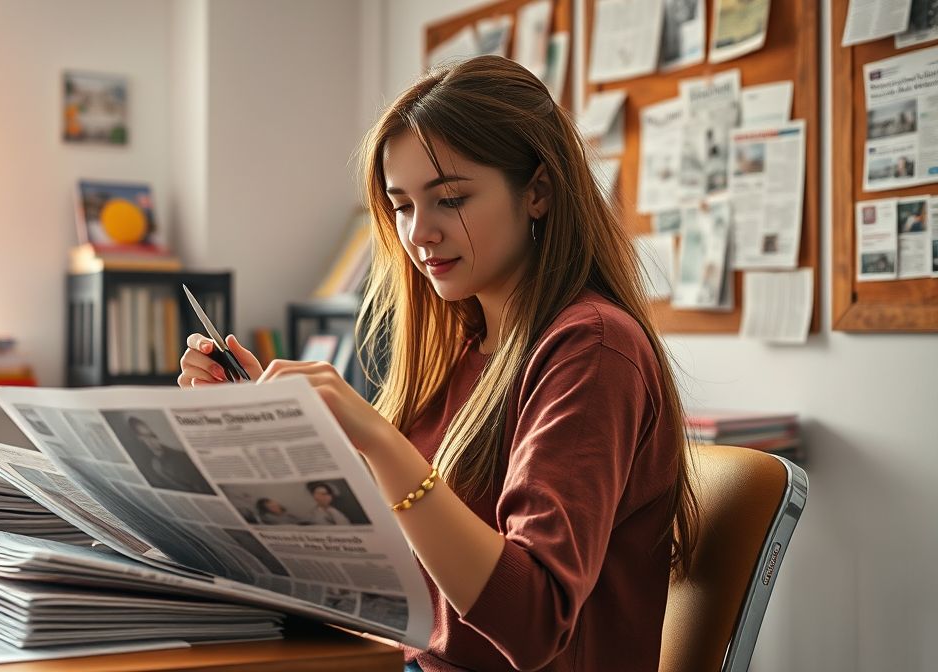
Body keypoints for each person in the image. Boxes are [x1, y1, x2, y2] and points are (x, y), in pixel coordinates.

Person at [178, 55, 698, 671]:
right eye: (401, 206)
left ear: (538, 192)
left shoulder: (592, 350)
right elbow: (383, 565)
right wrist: (267, 437)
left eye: (449, 199)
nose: (419, 232)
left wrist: (379, 440)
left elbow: (532, 624)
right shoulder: (464, 344)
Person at [124, 416, 214, 495]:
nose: (149, 442)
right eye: (142, 438)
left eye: (151, 436)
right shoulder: (146, 464)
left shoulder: (181, 459)